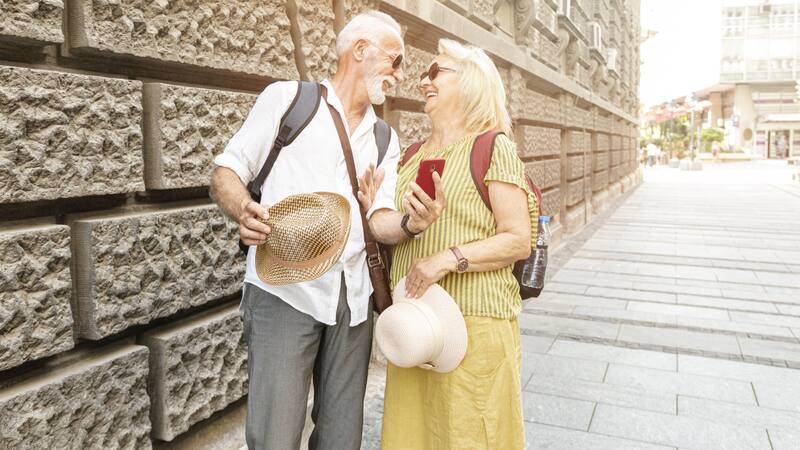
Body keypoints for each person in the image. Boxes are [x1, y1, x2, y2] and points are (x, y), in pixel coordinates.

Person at [210, 11, 408, 450]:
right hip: (284, 291)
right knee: (275, 435)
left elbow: (382, 218)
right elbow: (227, 170)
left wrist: (411, 221)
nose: (399, 75)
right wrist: (244, 208)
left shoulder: (384, 138)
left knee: (341, 439)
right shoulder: (288, 101)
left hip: (354, 299)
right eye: (395, 61)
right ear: (360, 51)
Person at [374, 38, 534, 449]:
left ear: (471, 83)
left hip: (475, 325)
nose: (424, 81)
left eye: (436, 72)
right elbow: (391, 226)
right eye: (425, 74)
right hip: (412, 325)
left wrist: (448, 259)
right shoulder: (409, 156)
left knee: (471, 435)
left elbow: (518, 239)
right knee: (413, 438)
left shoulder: (491, 147)